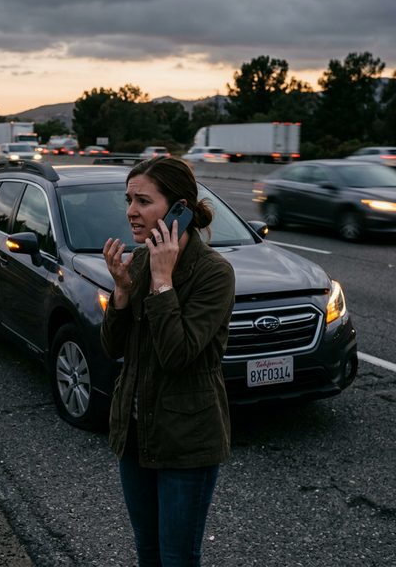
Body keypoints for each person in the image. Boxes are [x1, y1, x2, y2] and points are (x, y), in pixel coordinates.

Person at [101, 156, 235, 567]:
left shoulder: (213, 273)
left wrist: (162, 283)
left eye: (143, 201)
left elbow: (177, 355)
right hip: (136, 433)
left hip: (187, 439)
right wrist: (122, 294)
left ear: (179, 208)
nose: (131, 212)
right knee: (149, 552)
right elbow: (111, 348)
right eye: (128, 200)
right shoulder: (139, 260)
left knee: (177, 558)